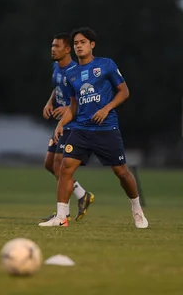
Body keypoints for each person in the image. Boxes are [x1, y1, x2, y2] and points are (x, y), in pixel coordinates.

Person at [39, 28, 148, 229]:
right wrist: (61, 124)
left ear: (92, 45)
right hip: (81, 129)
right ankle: (62, 217)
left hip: (106, 128)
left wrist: (107, 108)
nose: (78, 45)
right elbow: (73, 106)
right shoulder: (71, 74)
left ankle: (137, 210)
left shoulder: (106, 65)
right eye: (76, 43)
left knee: (121, 172)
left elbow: (124, 92)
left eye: (82, 42)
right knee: (64, 167)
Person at [40, 33, 95, 223]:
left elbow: (84, 98)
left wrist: (68, 109)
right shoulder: (56, 67)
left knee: (59, 165)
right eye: (52, 46)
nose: (53, 49)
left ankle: (64, 214)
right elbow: (57, 88)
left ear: (67, 49)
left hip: (74, 123)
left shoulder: (77, 70)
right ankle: (81, 195)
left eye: (57, 46)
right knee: (49, 164)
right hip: (61, 124)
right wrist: (50, 102)